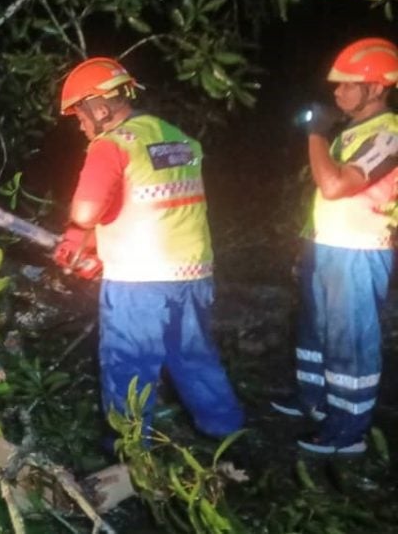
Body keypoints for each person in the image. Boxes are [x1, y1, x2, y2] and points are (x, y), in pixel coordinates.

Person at [52, 57, 244, 447]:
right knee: (194, 359)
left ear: (101, 106)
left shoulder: (111, 145)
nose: (80, 123)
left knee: (129, 366)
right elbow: (144, 204)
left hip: (139, 282)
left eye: (80, 113)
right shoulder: (176, 137)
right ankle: (229, 440)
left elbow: (86, 210)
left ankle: (130, 453)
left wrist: (77, 234)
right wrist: (89, 243)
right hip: (193, 273)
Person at [271, 37, 398, 455]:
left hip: (359, 251)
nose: (338, 92)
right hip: (327, 246)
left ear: (377, 88)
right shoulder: (353, 131)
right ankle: (314, 402)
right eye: (337, 85)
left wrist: (315, 134)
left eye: (347, 85)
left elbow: (334, 185)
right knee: (315, 329)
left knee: (350, 340)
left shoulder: (389, 133)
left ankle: (348, 432)